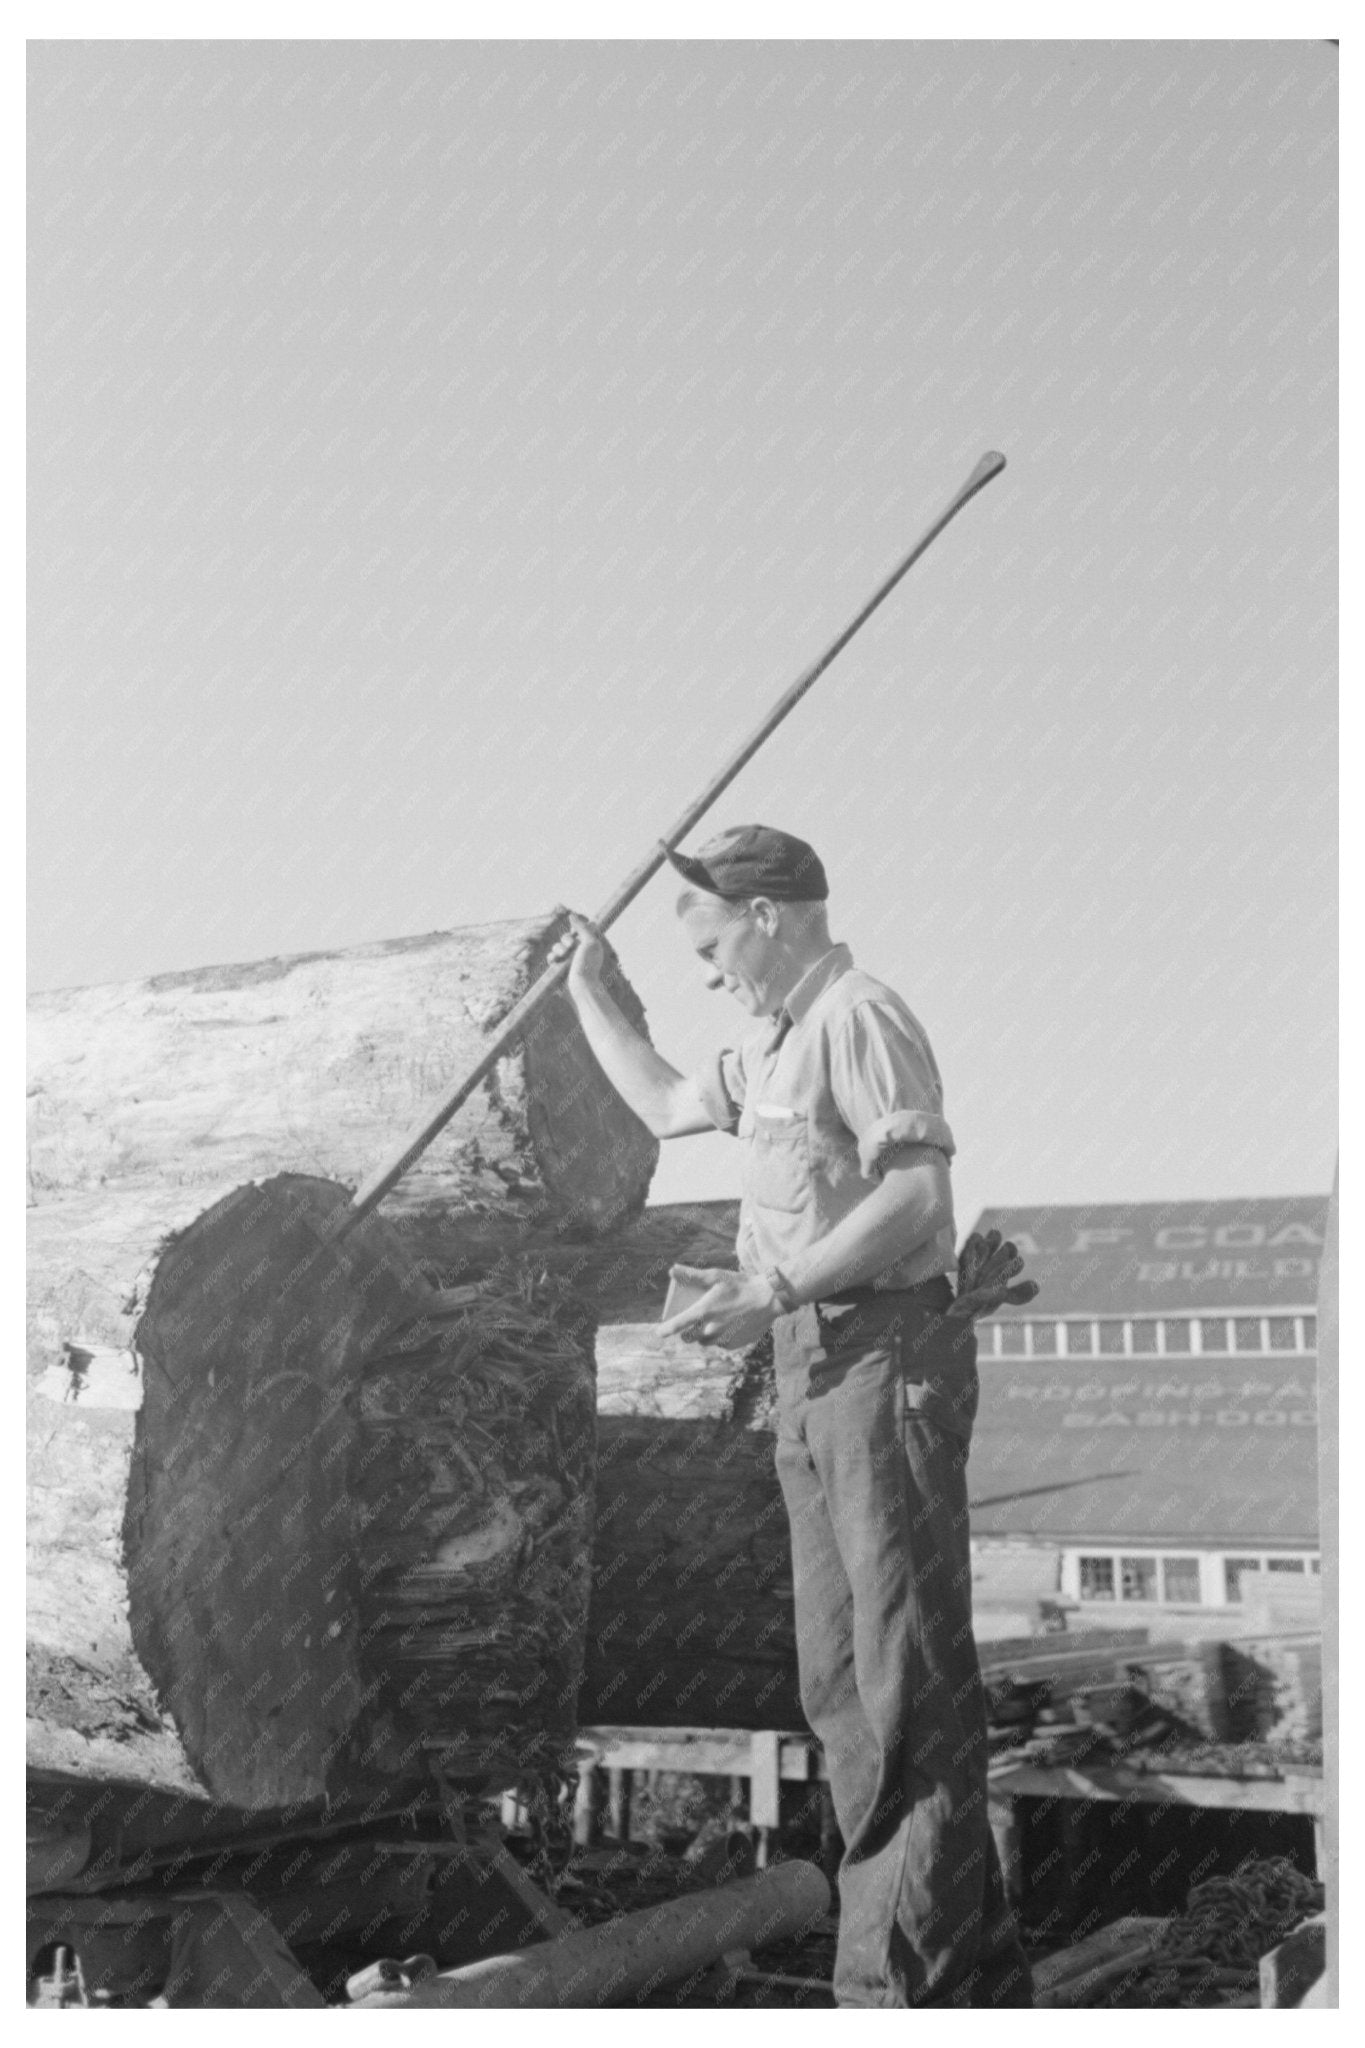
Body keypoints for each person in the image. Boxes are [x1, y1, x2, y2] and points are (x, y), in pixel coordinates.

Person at [554, 824, 1035, 2009]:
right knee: (840, 1688)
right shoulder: (768, 1042)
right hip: (811, 1371)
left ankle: (894, 1997)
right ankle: (968, 1972)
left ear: (768, 914)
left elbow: (919, 1192)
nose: (709, 970)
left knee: (902, 1686)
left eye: (713, 942)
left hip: (885, 1359)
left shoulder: (858, 1015)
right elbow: (669, 1101)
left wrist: (773, 1284)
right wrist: (585, 994)